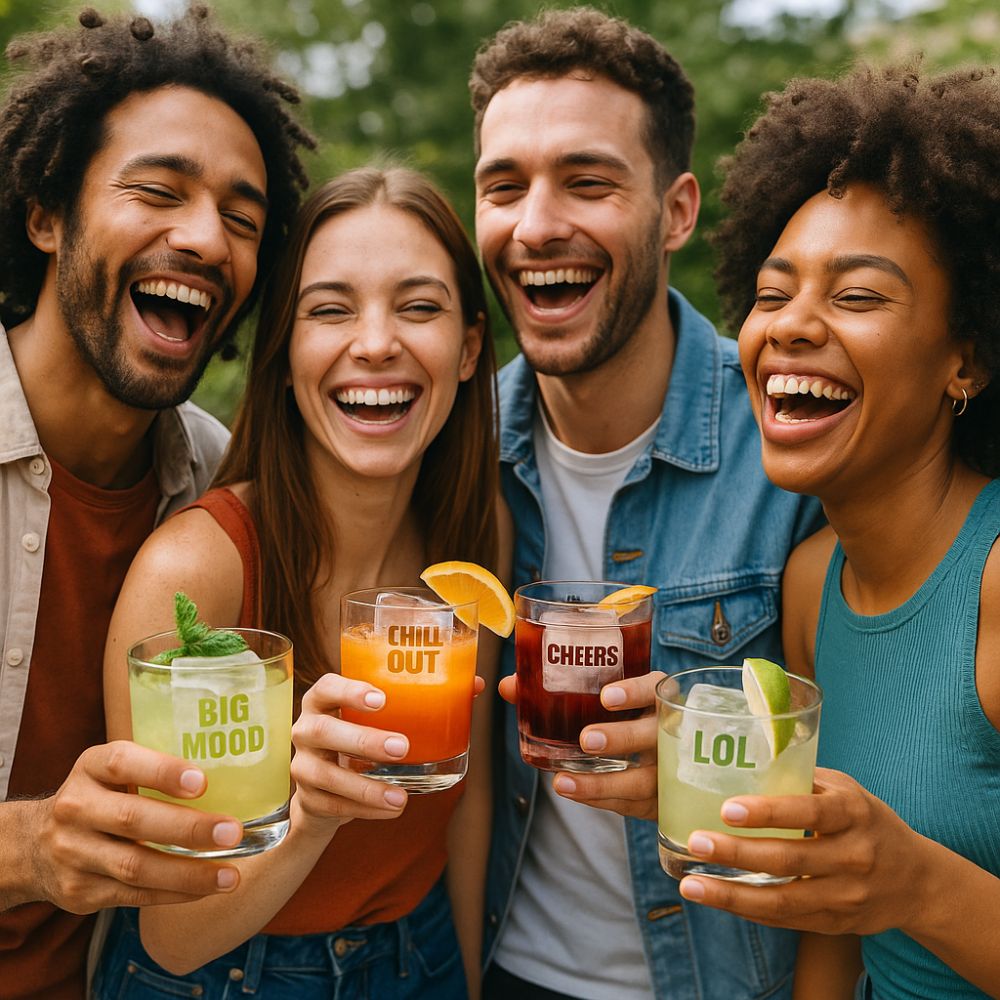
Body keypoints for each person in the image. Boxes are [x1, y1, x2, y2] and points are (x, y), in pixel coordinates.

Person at [468, 8, 825, 1000]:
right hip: (503, 970)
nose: (536, 224)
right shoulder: (450, 452)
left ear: (674, 212)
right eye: (504, 187)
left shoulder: (792, 444)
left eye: (586, 181)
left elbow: (885, 776)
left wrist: (713, 779)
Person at [92, 165, 507, 999]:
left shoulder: (474, 540)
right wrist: (308, 818)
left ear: (467, 352)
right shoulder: (196, 573)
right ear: (283, 358)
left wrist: (460, 979)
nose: (377, 342)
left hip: (418, 956)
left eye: (419, 307)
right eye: (330, 309)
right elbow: (169, 937)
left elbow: (469, 801)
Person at [0, 6, 314, 997]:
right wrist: (28, 849)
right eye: (159, 192)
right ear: (46, 212)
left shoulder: (220, 492)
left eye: (242, 218)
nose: (203, 239)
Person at [672, 63, 1000, 999]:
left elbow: (886, 885)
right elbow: (832, 921)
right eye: (773, 295)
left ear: (964, 355)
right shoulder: (813, 581)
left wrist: (919, 882)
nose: (792, 327)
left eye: (857, 296)